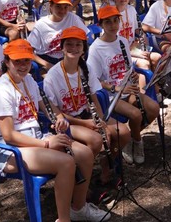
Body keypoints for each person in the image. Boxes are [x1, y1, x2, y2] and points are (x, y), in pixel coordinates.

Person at [0, 39, 107, 222]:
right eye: (17, 61)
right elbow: (9, 135)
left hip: (35, 138)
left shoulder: (28, 80)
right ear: (6, 61)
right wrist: (46, 142)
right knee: (66, 162)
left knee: (85, 153)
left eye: (26, 61)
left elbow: (44, 107)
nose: (23, 65)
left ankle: (78, 207)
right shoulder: (0, 91)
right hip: (9, 150)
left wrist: (58, 118)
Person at [43, 27, 131, 182]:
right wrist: (87, 123)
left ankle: (106, 163)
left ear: (84, 48)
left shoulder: (86, 69)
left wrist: (100, 120)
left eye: (78, 45)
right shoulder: (52, 76)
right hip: (68, 121)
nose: (74, 49)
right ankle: (82, 180)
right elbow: (55, 112)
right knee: (96, 140)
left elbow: (94, 97)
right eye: (69, 44)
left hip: (87, 115)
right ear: (62, 47)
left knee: (123, 132)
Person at [87, 6, 160, 165]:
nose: (113, 25)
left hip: (127, 88)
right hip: (111, 95)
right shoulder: (95, 49)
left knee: (154, 108)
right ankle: (136, 141)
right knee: (135, 114)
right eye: (108, 22)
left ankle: (131, 138)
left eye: (115, 21)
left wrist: (132, 74)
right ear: (101, 25)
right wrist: (117, 89)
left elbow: (126, 67)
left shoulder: (122, 41)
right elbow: (94, 81)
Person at [28, 0, 88, 70]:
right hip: (46, 57)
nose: (62, 10)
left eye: (65, 7)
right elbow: (29, 51)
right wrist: (46, 64)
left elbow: (85, 37)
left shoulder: (72, 17)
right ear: (51, 6)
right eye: (58, 6)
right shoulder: (41, 24)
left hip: (67, 56)